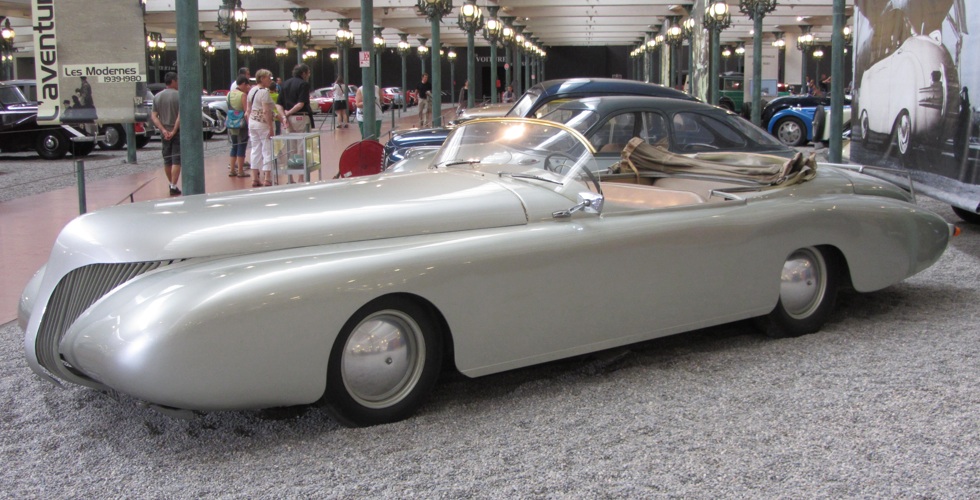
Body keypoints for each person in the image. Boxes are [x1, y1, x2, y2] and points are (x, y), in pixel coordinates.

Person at [151, 72, 181, 195]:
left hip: (164, 133)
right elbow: (180, 116)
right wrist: (174, 130)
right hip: (177, 132)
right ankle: (173, 185)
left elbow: (154, 116)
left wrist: (163, 130)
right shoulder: (179, 96)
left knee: (167, 159)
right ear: (173, 81)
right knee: (177, 160)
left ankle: (171, 184)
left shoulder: (157, 97)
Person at [245, 69, 276, 187]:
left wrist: (250, 124)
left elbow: (248, 110)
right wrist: (270, 127)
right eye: (268, 77)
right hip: (263, 124)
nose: (270, 80)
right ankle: (267, 178)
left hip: (252, 123)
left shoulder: (251, 90)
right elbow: (266, 111)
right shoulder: (264, 92)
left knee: (255, 150)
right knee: (267, 149)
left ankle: (254, 178)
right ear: (262, 78)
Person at [278, 63, 314, 134]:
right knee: (303, 142)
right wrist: (289, 113)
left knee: (290, 142)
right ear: (303, 73)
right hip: (301, 117)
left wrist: (284, 116)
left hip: (288, 119)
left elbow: (278, 104)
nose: (309, 75)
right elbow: (301, 103)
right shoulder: (304, 84)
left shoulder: (285, 83)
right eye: (308, 73)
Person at [227, 76, 251, 178]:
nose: (248, 87)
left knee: (234, 145)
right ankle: (240, 171)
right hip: (241, 124)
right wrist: (249, 125)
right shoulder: (243, 95)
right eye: (247, 85)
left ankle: (232, 170)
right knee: (242, 146)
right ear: (243, 84)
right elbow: (246, 112)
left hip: (232, 123)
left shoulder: (229, 94)